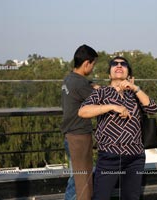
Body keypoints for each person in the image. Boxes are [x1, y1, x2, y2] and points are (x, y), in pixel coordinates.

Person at [79, 56, 157, 200]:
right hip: (110, 155)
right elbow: (83, 111)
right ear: (109, 74)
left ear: (128, 73)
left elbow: (152, 108)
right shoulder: (101, 92)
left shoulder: (134, 94)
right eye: (115, 64)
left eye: (124, 64)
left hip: (135, 156)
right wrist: (112, 106)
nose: (119, 65)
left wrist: (135, 88)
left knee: (131, 197)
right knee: (101, 197)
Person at [61, 44, 98, 200]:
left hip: (69, 135)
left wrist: (90, 85)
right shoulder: (80, 83)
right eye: (93, 65)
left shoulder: (69, 78)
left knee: (75, 176)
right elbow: (100, 101)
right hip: (79, 136)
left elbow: (81, 90)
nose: (93, 68)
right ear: (86, 63)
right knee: (82, 181)